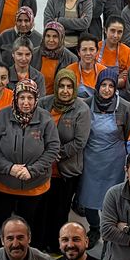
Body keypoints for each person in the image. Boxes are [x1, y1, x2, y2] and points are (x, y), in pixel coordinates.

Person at [0, 80, 59, 249]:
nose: (26, 102)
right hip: (3, 185)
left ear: (36, 99)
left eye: (30, 98)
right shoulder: (1, 117)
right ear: (15, 98)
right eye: (22, 97)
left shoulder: (45, 119)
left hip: (35, 186)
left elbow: (53, 148)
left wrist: (32, 171)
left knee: (31, 230)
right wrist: (9, 168)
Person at [78, 72, 130, 236]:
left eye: (111, 86)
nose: (107, 89)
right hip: (90, 161)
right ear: (97, 86)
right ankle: (94, 228)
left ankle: (110, 231)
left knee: (112, 200)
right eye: (103, 85)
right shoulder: (86, 105)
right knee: (89, 199)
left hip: (114, 163)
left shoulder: (125, 107)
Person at [42, 69, 92, 239]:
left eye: (69, 86)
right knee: (43, 209)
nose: (65, 90)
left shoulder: (82, 110)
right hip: (43, 169)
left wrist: (56, 153)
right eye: (61, 86)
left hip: (67, 171)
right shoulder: (44, 103)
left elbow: (80, 141)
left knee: (60, 211)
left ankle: (57, 243)